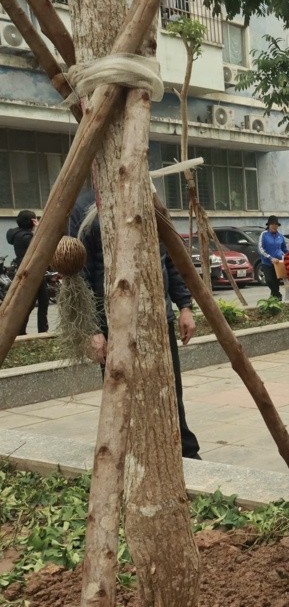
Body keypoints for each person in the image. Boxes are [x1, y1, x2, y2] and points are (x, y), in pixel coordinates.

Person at [69, 189, 201, 459]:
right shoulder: (85, 206)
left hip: (157, 318)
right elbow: (81, 273)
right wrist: (93, 329)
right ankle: (126, 454)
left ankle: (185, 453)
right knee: (120, 396)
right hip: (113, 323)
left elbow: (171, 259)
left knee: (170, 391)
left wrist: (185, 306)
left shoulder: (148, 196)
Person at [6, 210, 49, 334]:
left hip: (25, 270)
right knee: (39, 301)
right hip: (32, 272)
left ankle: (22, 330)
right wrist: (39, 227)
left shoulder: (16, 235)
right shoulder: (26, 237)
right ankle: (40, 330)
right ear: (31, 221)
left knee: (32, 302)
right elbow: (41, 244)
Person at [258, 215, 287, 299]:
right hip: (267, 263)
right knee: (269, 281)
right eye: (272, 224)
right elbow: (260, 249)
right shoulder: (264, 234)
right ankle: (278, 295)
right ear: (268, 225)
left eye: (276, 224)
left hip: (278, 263)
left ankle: (274, 301)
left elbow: (284, 248)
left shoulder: (280, 236)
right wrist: (270, 258)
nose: (274, 226)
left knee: (276, 282)